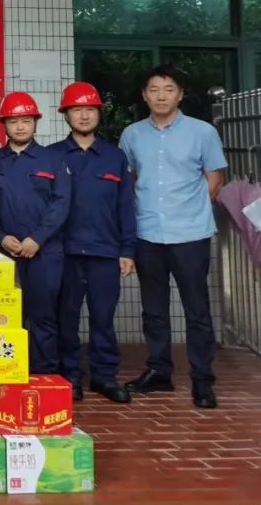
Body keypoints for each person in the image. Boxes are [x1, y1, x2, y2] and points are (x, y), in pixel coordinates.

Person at [120, 64, 226, 409]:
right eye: (154, 89)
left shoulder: (203, 132)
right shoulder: (132, 135)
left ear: (180, 94)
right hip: (147, 232)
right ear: (144, 95)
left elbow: (215, 180)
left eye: (168, 89)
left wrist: (189, 210)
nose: (161, 96)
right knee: (153, 309)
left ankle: (202, 379)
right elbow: (129, 180)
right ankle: (159, 371)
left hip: (190, 233)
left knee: (197, 310)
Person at [49, 82, 135, 403]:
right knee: (66, 318)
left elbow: (126, 206)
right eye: (77, 110)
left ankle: (104, 376)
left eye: (89, 109)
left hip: (105, 252)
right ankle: (70, 376)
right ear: (66, 115)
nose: (84, 116)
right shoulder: (53, 155)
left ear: (99, 113)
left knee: (104, 318)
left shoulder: (115, 157)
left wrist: (127, 250)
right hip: (65, 253)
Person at [0, 91, 71, 375]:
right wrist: (0, 237)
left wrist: (37, 238)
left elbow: (61, 204)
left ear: (35, 123)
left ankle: (45, 373)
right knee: (4, 316)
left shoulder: (53, 160)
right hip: (3, 255)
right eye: (13, 121)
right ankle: (6, 372)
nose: (20, 126)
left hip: (44, 253)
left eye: (26, 120)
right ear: (4, 125)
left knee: (43, 316)